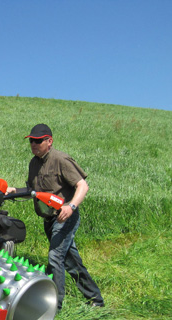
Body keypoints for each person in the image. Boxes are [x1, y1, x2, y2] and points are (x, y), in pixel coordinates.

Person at [6, 124, 104, 310]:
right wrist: (14, 191)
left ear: (49, 141)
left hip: (65, 217)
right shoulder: (34, 163)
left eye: (38, 141)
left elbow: (83, 186)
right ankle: (96, 300)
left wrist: (72, 206)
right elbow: (32, 191)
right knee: (70, 260)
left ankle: (53, 307)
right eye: (31, 141)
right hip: (49, 219)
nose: (34, 144)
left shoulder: (61, 159)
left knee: (55, 257)